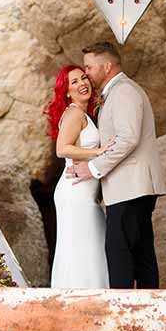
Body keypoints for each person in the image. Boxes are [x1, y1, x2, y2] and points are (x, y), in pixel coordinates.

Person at [68, 42, 166, 289]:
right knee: (141, 255)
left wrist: (91, 169)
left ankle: (122, 313)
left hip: (129, 187)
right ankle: (147, 310)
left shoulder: (123, 91)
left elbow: (128, 138)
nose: (87, 73)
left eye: (90, 67)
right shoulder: (118, 92)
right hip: (131, 187)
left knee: (120, 255)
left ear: (107, 66)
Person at [45, 65, 112, 289]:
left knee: (87, 247)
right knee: (84, 249)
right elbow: (62, 149)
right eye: (74, 82)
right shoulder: (74, 113)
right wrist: (98, 152)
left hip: (83, 191)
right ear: (66, 91)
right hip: (76, 191)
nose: (82, 83)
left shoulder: (84, 114)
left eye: (84, 78)